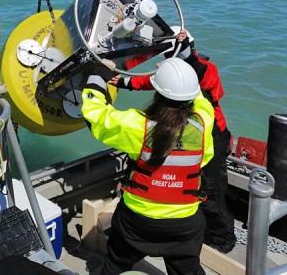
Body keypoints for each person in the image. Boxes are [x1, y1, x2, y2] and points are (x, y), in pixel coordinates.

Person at [82, 57, 215, 275]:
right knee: (188, 271)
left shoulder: (137, 125)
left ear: (156, 91)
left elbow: (96, 116)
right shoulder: (204, 120)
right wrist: (178, 74)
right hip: (185, 224)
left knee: (115, 265)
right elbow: (198, 99)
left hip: (136, 222)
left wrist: (99, 75)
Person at [109, 27, 237, 253]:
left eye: (172, 55)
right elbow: (150, 82)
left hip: (211, 137)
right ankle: (188, 227)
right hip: (183, 136)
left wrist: (183, 49)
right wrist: (121, 82)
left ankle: (222, 239)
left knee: (211, 193)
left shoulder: (206, 69)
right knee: (188, 186)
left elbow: (195, 71)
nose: (169, 62)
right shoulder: (174, 74)